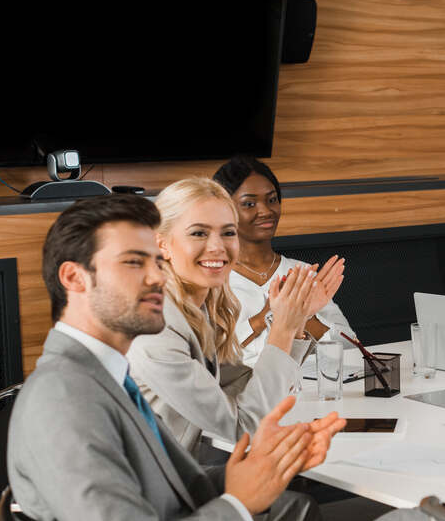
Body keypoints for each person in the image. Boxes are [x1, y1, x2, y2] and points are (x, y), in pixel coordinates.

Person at [7, 194, 438, 521]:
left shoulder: (100, 378)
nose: (156, 278)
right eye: (135, 263)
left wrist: (265, 470)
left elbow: (164, 495)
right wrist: (238, 501)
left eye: (156, 260)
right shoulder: (66, 400)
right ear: (74, 278)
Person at [126, 178, 345, 463]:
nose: (217, 247)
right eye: (198, 233)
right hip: (158, 485)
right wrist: (282, 326)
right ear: (162, 245)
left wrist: (298, 320)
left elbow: (245, 384)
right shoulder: (155, 327)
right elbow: (242, 428)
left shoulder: (197, 309)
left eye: (228, 233)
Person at [214, 156, 355, 368]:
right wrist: (266, 316)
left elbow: (351, 349)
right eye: (249, 204)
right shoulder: (211, 279)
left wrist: (306, 317)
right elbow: (207, 358)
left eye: (271, 200)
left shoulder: (303, 273)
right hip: (242, 394)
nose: (265, 211)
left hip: (308, 391)